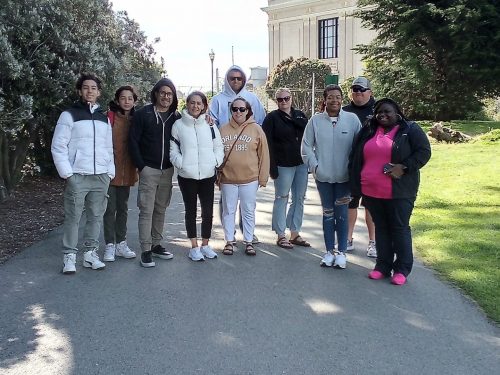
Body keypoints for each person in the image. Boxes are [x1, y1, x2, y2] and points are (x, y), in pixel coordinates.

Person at [349, 98, 431, 285]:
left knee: (399, 228)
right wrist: (355, 185)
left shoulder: (409, 129)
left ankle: (402, 269)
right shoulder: (369, 129)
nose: (383, 115)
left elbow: (424, 152)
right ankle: (382, 266)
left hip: (400, 192)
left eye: (387, 112)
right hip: (372, 191)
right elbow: (355, 156)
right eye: (379, 112)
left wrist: (403, 167)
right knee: (382, 228)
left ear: (397, 114)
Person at [51, 73, 114, 274]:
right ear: (79, 91)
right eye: (85, 88)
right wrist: (67, 174)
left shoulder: (104, 118)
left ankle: (90, 254)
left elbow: (108, 147)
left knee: (96, 216)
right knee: (73, 217)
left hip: (101, 176)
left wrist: (110, 171)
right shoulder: (68, 115)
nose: (90, 91)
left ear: (99, 92)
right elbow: (58, 146)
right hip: (77, 175)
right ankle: (69, 256)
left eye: (93, 88)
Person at [301, 84, 361, 269]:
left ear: (342, 99)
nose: (334, 100)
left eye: (338, 97)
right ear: (324, 100)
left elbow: (360, 147)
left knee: (342, 214)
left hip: (345, 178)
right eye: (330, 97)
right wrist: (315, 167)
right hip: (324, 177)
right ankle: (328, 252)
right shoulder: (315, 121)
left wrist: (354, 170)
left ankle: (341, 252)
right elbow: (306, 146)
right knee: (328, 214)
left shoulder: (352, 120)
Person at [209, 65, 266, 244]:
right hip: (226, 156)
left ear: (243, 80)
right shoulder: (217, 100)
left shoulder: (252, 98)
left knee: (247, 204)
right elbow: (211, 124)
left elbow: (261, 121)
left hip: (247, 157)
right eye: (232, 78)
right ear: (227, 80)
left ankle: (247, 233)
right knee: (227, 204)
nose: (235, 81)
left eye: (239, 78)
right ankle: (229, 234)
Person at [129, 78, 181, 268]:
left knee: (161, 208)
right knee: (146, 210)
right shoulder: (144, 114)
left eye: (170, 94)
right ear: (156, 94)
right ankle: (145, 249)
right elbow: (133, 141)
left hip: (167, 171)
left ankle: (157, 244)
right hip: (148, 169)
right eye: (163, 93)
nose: (166, 97)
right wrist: (141, 166)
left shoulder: (176, 117)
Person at [170, 91, 224, 261]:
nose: (195, 106)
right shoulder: (178, 125)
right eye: (192, 102)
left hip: (208, 175)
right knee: (191, 211)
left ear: (204, 106)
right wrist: (182, 163)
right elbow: (173, 150)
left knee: (208, 212)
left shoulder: (210, 125)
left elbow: (218, 146)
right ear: (187, 104)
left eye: (199, 103)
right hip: (187, 177)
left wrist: (215, 161)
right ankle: (194, 247)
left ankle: (205, 245)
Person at [218, 97, 269, 256]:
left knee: (248, 210)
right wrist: (217, 175)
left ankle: (248, 241)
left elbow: (264, 155)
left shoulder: (256, 129)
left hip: (250, 179)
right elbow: (217, 154)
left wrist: (263, 177)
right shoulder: (223, 129)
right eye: (235, 109)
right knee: (228, 211)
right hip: (228, 178)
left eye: (242, 109)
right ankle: (229, 241)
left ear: (248, 111)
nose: (238, 112)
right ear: (231, 111)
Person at [262, 88, 309, 249]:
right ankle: (281, 234)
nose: (283, 102)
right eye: (280, 99)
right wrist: (271, 167)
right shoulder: (272, 118)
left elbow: (308, 137)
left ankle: (295, 232)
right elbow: (266, 144)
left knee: (299, 198)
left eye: (286, 98)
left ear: (291, 98)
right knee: (282, 198)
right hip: (282, 164)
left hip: (301, 163)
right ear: (276, 101)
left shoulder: (300, 115)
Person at [102, 86, 139, 262]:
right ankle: (109, 244)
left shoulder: (136, 119)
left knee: (123, 208)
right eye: (123, 98)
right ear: (117, 100)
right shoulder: (109, 118)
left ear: (134, 101)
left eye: (130, 98)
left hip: (128, 170)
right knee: (109, 209)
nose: (126, 101)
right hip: (109, 170)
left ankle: (121, 243)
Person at [342, 77, 377, 258]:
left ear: (370, 92)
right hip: (351, 166)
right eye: (355, 89)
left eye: (362, 90)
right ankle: (347, 238)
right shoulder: (345, 111)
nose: (358, 93)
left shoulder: (379, 110)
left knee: (371, 205)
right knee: (351, 203)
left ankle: (373, 242)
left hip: (373, 167)